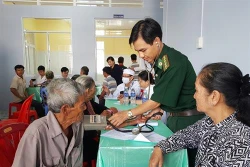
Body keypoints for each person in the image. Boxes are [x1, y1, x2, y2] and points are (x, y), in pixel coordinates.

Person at [108, 18, 204, 166]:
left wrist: (127, 114)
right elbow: (166, 97)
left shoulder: (173, 62)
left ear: (156, 41)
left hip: (187, 122)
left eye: (143, 50)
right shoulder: (160, 61)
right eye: (137, 51)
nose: (140, 55)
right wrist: (144, 115)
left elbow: (157, 99)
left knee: (183, 162)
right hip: (174, 119)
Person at [149, 62, 250, 167]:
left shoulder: (240, 142)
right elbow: (185, 136)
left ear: (214, 97)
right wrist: (159, 148)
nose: (194, 96)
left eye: (197, 91)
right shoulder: (209, 122)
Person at [12, 78, 86, 166]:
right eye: (82, 105)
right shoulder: (36, 133)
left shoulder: (77, 125)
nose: (85, 108)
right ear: (65, 109)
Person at [75, 75, 118, 165]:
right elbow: (84, 127)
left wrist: (108, 111)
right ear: (87, 91)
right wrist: (100, 119)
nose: (95, 90)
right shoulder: (78, 106)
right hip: (83, 145)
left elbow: (101, 109)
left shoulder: (88, 101)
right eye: (94, 88)